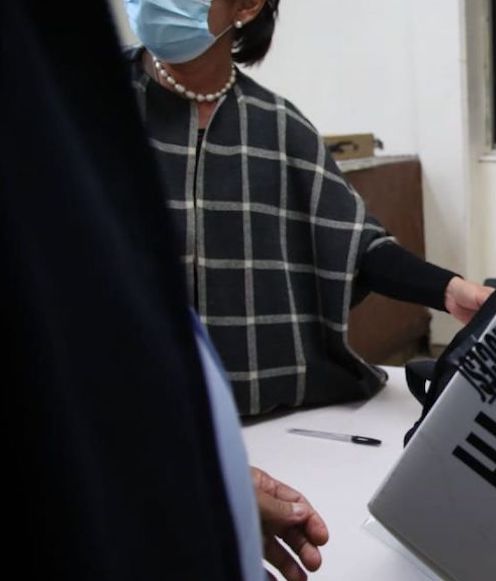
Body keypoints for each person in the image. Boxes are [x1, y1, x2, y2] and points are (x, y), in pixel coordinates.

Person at [5, 1, 326, 579]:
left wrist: (214, 483)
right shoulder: (92, 109)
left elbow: (345, 235)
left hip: (245, 434)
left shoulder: (278, 122)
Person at [123, 0, 493, 415]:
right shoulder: (89, 108)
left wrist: (447, 289)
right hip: (128, 410)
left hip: (260, 408)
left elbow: (354, 244)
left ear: (246, 6)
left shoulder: (279, 125)